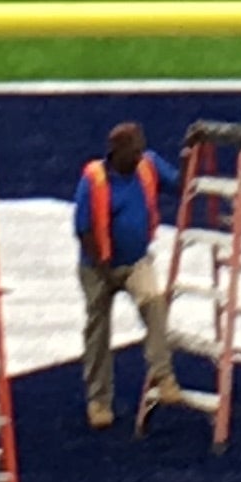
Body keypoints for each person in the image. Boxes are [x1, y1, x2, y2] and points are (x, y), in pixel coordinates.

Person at [71, 121, 183, 431]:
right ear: (116, 151)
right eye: (133, 149)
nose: (139, 155)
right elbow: (83, 229)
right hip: (97, 267)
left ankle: (164, 374)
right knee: (97, 327)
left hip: (135, 261)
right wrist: (103, 265)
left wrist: (190, 152)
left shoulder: (148, 166)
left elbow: (183, 184)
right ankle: (99, 400)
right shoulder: (93, 180)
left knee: (154, 301)